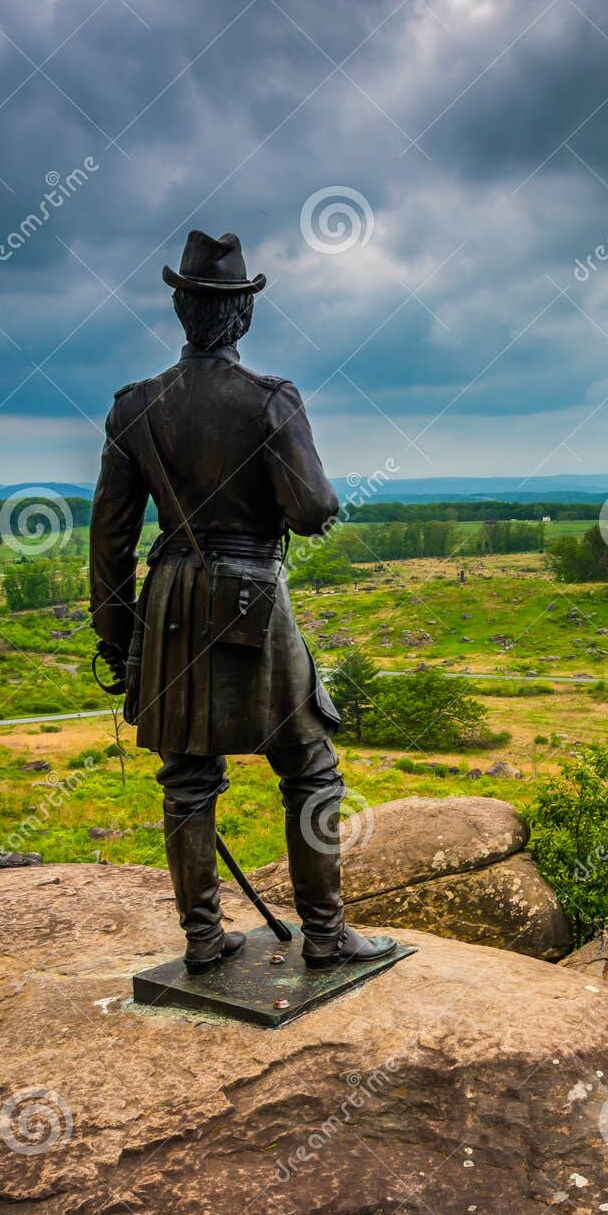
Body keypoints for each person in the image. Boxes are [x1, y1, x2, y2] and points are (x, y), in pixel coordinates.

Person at [88, 228, 395, 975]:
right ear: (242, 316)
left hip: (167, 602)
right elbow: (313, 508)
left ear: (179, 308)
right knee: (311, 766)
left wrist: (116, 641)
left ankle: (202, 941)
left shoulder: (134, 407)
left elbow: (109, 541)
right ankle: (324, 934)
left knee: (187, 778)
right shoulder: (269, 401)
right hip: (252, 596)